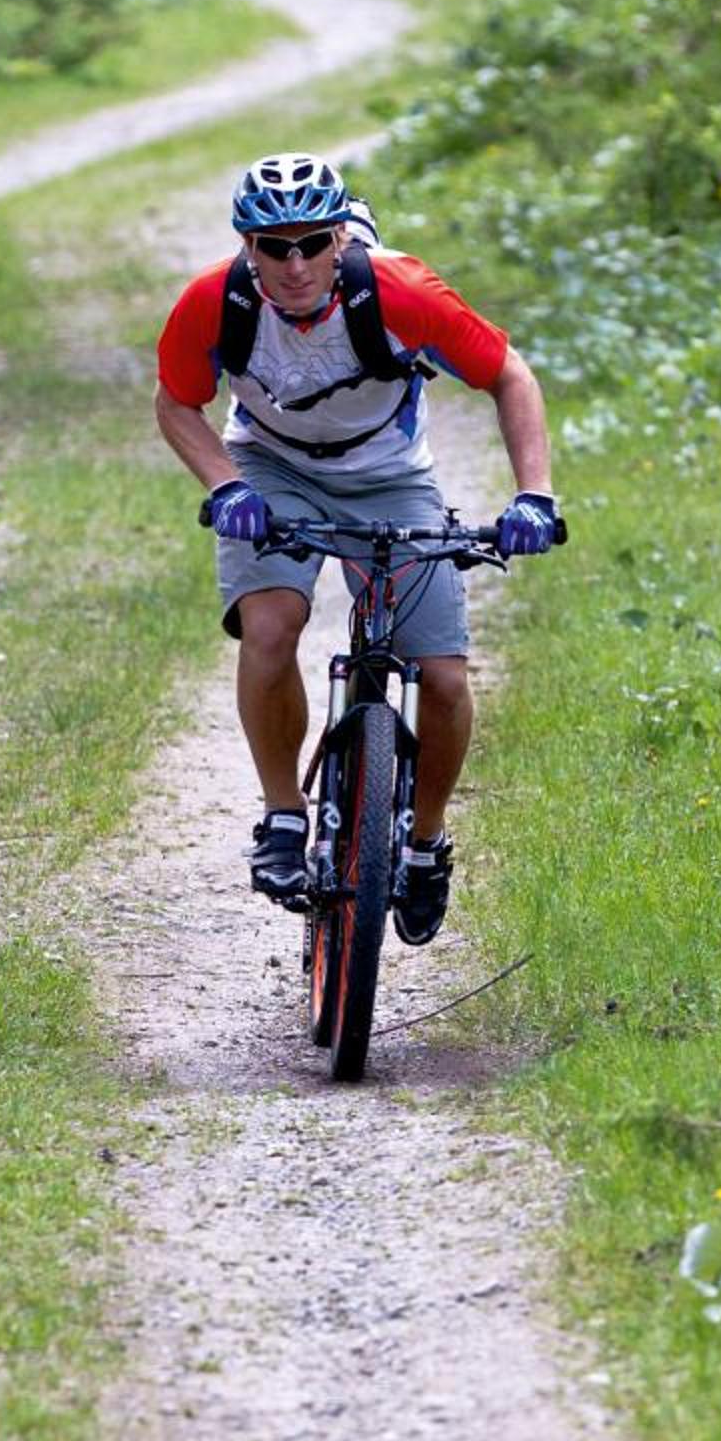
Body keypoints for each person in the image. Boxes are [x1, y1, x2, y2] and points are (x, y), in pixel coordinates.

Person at [153, 151, 558, 945]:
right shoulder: (214, 302)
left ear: (341, 237)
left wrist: (534, 495)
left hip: (389, 476)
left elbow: (509, 375)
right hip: (272, 467)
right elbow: (176, 403)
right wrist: (225, 486)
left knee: (442, 675)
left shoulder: (403, 292)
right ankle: (282, 815)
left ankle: (425, 844)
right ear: (246, 246)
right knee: (271, 627)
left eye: (312, 242)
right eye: (274, 247)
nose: (295, 263)